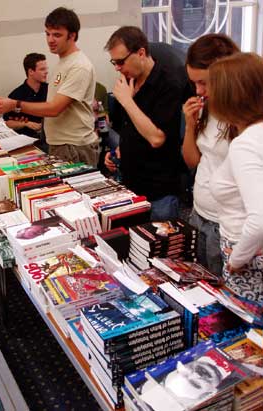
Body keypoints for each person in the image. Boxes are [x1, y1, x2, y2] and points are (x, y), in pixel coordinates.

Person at [0, 7, 99, 167]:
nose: (50, 39)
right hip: (61, 144)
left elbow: (54, 109)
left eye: (57, 35)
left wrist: (16, 104)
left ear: (72, 36)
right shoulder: (63, 62)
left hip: (73, 146)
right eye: (47, 33)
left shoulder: (79, 66)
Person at [104, 26, 184, 220]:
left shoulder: (169, 84)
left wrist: (127, 101)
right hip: (131, 184)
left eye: (121, 62)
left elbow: (156, 138)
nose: (117, 68)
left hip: (159, 191)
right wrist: (119, 151)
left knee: (160, 247)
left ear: (141, 53)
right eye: (114, 63)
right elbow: (132, 128)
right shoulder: (129, 80)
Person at [182, 34, 240, 276]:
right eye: (194, 83)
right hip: (199, 215)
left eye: (203, 82)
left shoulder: (245, 116)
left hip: (227, 225)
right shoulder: (206, 107)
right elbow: (193, 161)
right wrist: (189, 124)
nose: (199, 91)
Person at [208, 52, 263, 303]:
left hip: (248, 260)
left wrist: (237, 259)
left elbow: (260, 217)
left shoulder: (247, 143)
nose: (207, 95)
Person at [3, 53, 48, 149]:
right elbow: (7, 123)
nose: (46, 72)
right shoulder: (15, 96)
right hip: (27, 144)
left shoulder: (50, 90)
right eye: (42, 69)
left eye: (46, 69)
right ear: (31, 71)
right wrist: (26, 124)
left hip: (50, 140)